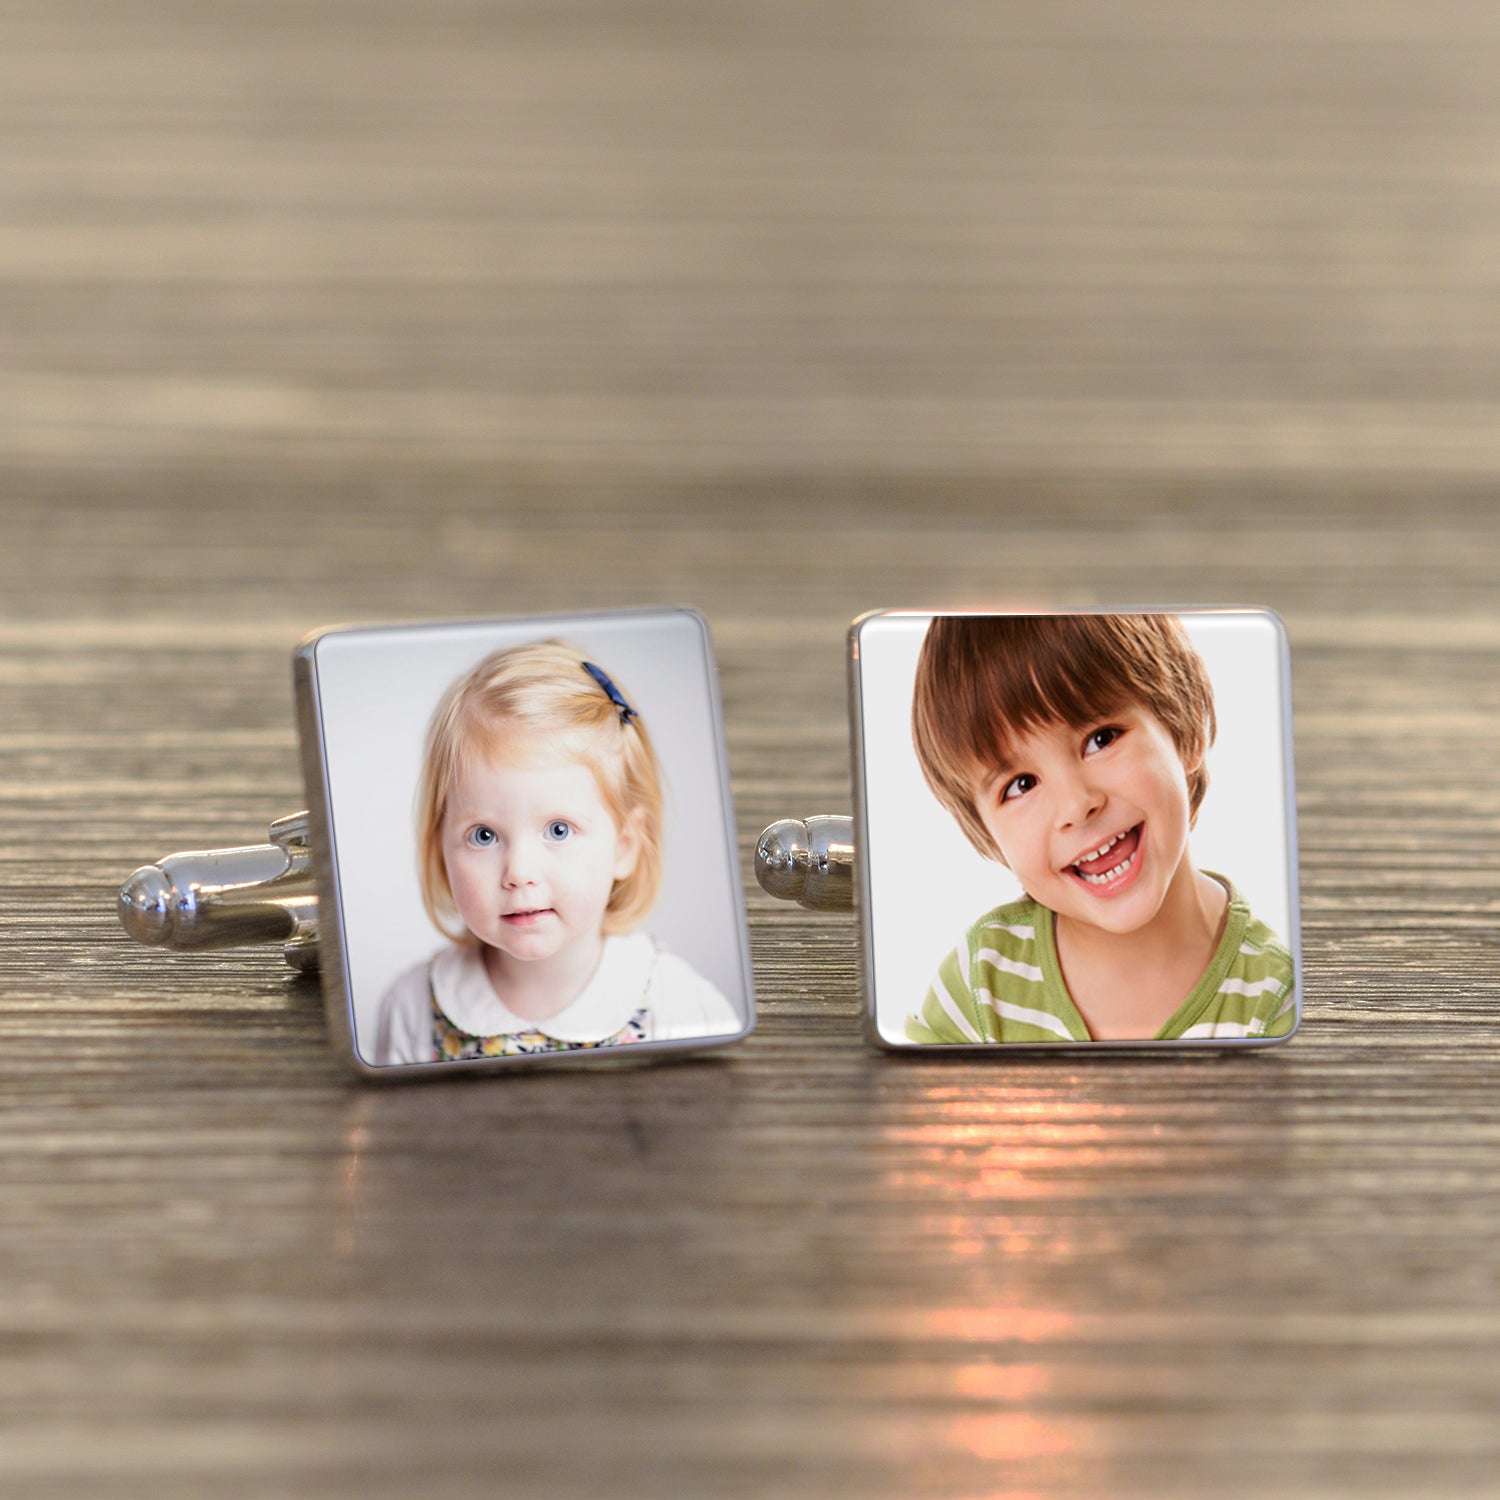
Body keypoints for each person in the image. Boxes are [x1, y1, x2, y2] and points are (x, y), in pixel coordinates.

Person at [905, 614, 1296, 1044]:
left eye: (1102, 738)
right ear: (986, 833)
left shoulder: (1275, 996)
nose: (1076, 805)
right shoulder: (979, 986)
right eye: (1021, 785)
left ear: (1185, 726)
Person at [374, 640, 741, 1065]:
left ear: (624, 846)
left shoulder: (679, 1007)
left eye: (558, 830)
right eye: (484, 836)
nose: (519, 872)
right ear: (439, 848)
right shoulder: (413, 1011)